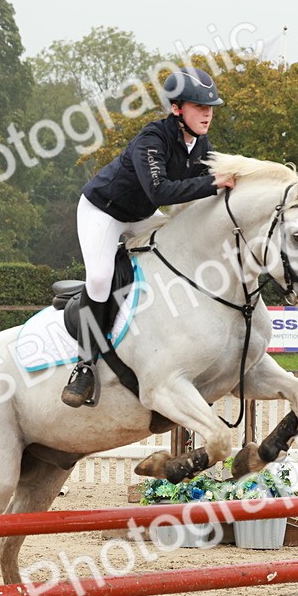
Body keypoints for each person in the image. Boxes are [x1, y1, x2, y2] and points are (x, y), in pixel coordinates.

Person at [61, 67, 237, 407]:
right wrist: (214, 182)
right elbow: (160, 190)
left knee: (180, 252)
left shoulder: (202, 145)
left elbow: (214, 185)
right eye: (199, 106)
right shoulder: (152, 138)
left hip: (140, 217)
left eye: (210, 107)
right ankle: (84, 366)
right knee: (99, 278)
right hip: (104, 212)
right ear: (176, 109)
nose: (207, 113)